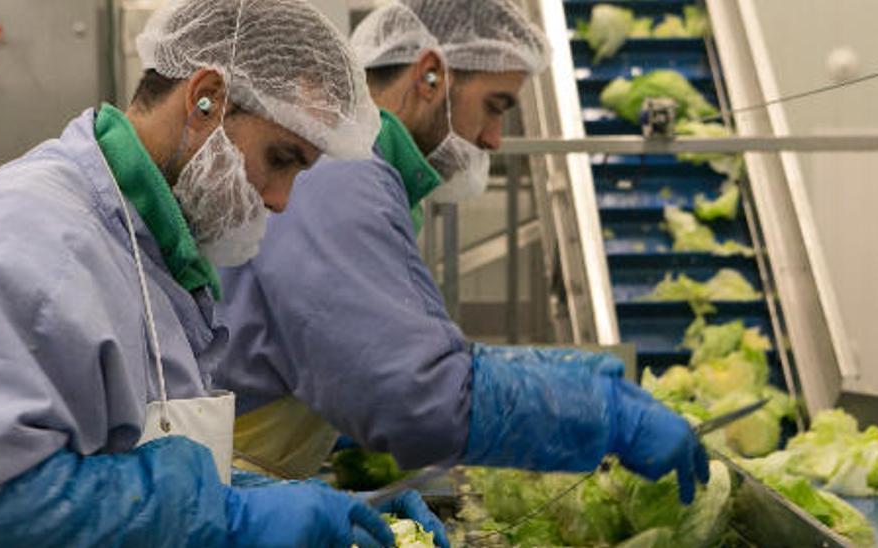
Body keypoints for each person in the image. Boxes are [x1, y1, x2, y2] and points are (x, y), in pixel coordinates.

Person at [0, 0, 442, 546]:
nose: (282, 200)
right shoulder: (33, 249)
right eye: (281, 159)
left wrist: (309, 503)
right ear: (206, 97)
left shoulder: (145, 255)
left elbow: (118, 459)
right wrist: (231, 519)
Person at [215, 0, 710, 525]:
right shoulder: (342, 176)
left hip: (238, 484)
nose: (494, 138)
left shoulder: (366, 178)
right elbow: (413, 391)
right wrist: (602, 412)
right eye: (495, 106)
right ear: (430, 74)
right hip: (215, 498)